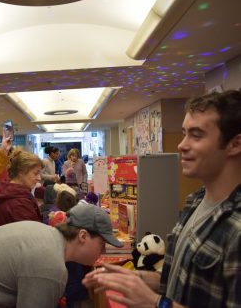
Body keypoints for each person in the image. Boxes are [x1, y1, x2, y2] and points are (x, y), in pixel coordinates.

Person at [84, 90, 241, 308]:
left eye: (196, 135)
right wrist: (143, 280)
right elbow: (186, 283)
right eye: (184, 133)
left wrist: (156, 303)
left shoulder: (236, 226)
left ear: (235, 144)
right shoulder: (195, 201)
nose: (182, 144)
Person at [0, 203, 123, 308]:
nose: (103, 252)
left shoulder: (46, 235)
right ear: (83, 236)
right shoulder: (50, 267)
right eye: (102, 244)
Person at [0, 150, 43, 227]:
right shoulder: (19, 203)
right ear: (21, 172)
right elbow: (33, 234)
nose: (39, 178)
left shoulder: (8, 192)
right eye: (35, 173)